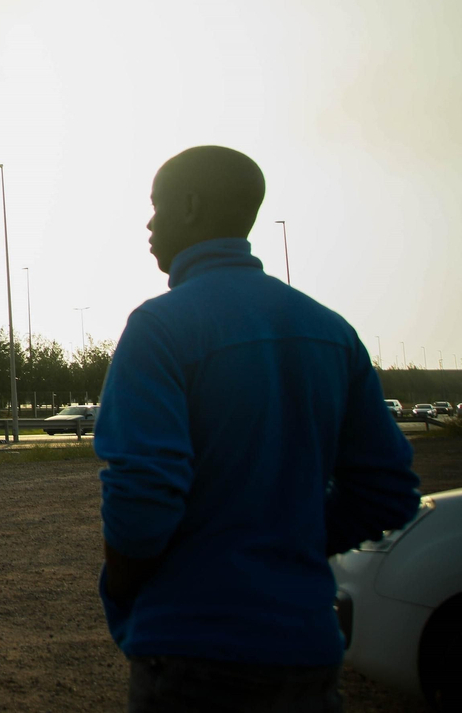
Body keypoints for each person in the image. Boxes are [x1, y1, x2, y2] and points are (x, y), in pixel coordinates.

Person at [95, 146, 419, 712]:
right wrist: (290, 539)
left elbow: (145, 491)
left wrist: (122, 587)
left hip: (192, 648)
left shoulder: (160, 327)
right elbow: (388, 491)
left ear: (190, 207)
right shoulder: (332, 333)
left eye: (157, 205)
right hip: (308, 648)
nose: (149, 223)